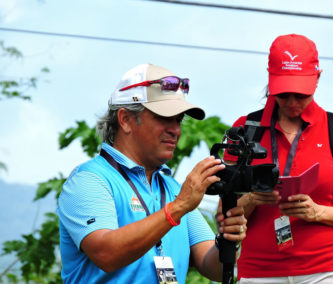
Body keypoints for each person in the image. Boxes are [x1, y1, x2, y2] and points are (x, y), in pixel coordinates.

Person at [57, 63, 247, 283]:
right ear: (125, 119)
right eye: (164, 118)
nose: (176, 130)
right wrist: (178, 207)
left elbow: (211, 266)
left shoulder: (173, 188)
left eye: (178, 120)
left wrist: (227, 241)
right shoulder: (90, 180)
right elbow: (105, 253)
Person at [224, 34, 333, 283]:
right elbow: (224, 215)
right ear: (270, 78)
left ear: (317, 78)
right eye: (284, 94)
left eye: (301, 94)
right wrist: (253, 198)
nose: (292, 103)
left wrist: (318, 212)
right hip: (258, 272)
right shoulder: (245, 130)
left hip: (328, 270)